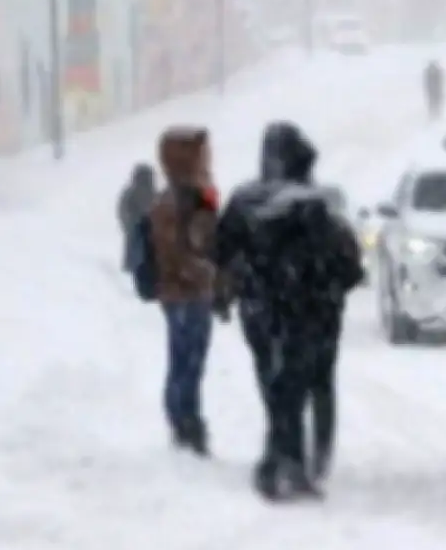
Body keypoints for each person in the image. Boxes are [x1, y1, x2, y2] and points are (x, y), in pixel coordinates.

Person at [214, 121, 364, 500]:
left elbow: (220, 252)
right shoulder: (317, 205)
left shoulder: (245, 200)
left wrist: (227, 293)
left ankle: (282, 457)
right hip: (310, 311)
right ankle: (300, 460)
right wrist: (331, 292)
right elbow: (344, 263)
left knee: (275, 384)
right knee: (309, 385)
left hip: (260, 307)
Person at [147, 126, 221, 455]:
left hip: (187, 293)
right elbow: (180, 252)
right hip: (185, 294)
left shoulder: (191, 195)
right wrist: (207, 275)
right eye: (203, 153)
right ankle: (185, 424)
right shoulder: (179, 199)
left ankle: (186, 421)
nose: (209, 158)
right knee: (186, 361)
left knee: (187, 360)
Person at [117, 163, 157, 272]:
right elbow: (123, 209)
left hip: (149, 228)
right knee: (133, 248)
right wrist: (128, 223)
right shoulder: (131, 192)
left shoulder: (153, 193)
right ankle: (130, 268)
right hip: (135, 226)